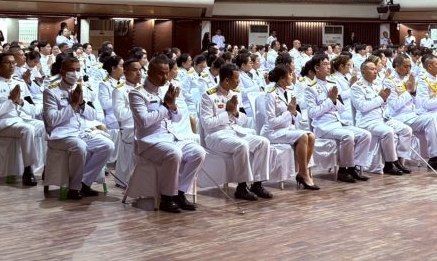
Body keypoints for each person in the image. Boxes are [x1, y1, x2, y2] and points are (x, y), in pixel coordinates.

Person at [129, 54, 206, 213]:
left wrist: (173, 107)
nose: (165, 77)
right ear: (149, 72)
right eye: (160, 73)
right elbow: (144, 121)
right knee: (174, 153)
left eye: (166, 73)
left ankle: (180, 192)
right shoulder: (137, 93)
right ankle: (167, 197)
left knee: (198, 152)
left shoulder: (165, 89)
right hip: (149, 141)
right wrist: (165, 106)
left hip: (170, 137)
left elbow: (176, 119)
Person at [42, 56, 114, 200]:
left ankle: (85, 182)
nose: (75, 73)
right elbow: (52, 120)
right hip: (61, 135)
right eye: (71, 70)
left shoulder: (82, 89)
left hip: (81, 132)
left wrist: (81, 104)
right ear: (62, 72)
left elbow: (93, 115)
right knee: (80, 146)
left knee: (108, 146)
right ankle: (74, 188)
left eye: (78, 69)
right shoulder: (51, 92)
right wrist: (72, 105)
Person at [199, 62, 273, 201]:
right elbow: (207, 124)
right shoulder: (208, 96)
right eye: (236, 79)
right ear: (227, 80)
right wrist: (227, 113)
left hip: (234, 131)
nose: (239, 82)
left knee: (263, 142)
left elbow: (242, 120)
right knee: (242, 145)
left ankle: (257, 183)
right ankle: (242, 187)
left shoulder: (235, 93)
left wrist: (236, 113)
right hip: (216, 135)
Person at [304, 53, 372, 183]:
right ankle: (343, 170)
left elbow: (341, 109)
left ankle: (353, 167)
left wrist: (334, 101)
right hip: (323, 126)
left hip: (337, 122)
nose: (329, 67)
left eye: (329, 64)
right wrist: (330, 101)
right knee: (348, 136)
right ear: (316, 68)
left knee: (365, 135)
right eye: (325, 64)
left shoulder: (332, 83)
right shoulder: (310, 88)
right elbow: (312, 113)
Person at [0, 52, 45, 186]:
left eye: (13, 63)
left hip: (22, 119)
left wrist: (20, 102)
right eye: (7, 63)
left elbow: (31, 109)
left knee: (43, 126)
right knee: (28, 129)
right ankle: (28, 170)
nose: (11, 65)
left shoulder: (20, 83)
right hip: (5, 124)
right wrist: (11, 102)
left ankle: (46, 166)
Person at [352, 58, 412, 175]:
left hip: (383, 118)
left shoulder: (377, 84)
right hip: (367, 121)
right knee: (388, 132)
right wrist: (380, 98)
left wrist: (384, 102)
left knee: (406, 130)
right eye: (371, 69)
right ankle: (390, 163)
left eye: (375, 69)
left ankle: (400, 159)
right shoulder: (357, 87)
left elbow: (385, 104)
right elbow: (362, 107)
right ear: (363, 71)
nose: (375, 71)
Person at [263, 66, 319, 190]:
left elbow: (297, 116)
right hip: (272, 132)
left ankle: (302, 172)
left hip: (287, 129)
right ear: (282, 78)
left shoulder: (290, 92)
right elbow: (271, 122)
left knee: (311, 136)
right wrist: (289, 113)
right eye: (290, 74)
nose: (292, 77)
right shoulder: (270, 95)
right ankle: (304, 174)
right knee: (303, 136)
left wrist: (293, 112)